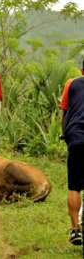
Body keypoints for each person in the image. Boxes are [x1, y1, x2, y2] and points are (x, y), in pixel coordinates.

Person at [59, 59, 84, 245]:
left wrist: (64, 133)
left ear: (82, 70)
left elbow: (65, 113)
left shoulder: (71, 83)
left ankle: (75, 229)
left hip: (75, 136)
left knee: (74, 186)